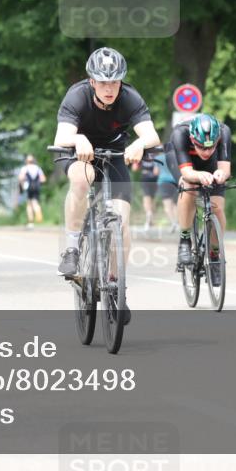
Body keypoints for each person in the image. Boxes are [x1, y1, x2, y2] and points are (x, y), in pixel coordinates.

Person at [53, 47, 161, 323]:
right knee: (82, 178)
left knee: (122, 222)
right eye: (102, 82)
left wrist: (138, 143)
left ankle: (115, 287)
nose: (109, 88)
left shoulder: (129, 97)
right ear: (92, 82)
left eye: (114, 82)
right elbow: (63, 135)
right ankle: (72, 248)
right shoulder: (77, 96)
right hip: (78, 152)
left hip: (114, 154)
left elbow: (151, 135)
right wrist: (78, 140)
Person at [167, 114, 232, 286]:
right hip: (182, 161)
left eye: (211, 147)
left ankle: (214, 256)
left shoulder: (224, 132)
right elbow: (188, 173)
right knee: (189, 186)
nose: (206, 151)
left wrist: (221, 174)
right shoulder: (180, 134)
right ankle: (185, 239)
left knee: (217, 207)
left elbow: (225, 168)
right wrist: (197, 175)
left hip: (211, 165)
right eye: (201, 147)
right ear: (192, 139)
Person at [17, 155, 46, 228]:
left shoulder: (25, 168)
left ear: (26, 161)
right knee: (35, 202)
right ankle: (39, 216)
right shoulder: (38, 168)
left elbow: (21, 177)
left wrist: (21, 185)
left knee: (29, 204)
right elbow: (43, 179)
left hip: (29, 187)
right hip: (36, 187)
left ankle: (31, 222)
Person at [153, 154, 178, 233]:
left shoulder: (158, 157)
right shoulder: (175, 156)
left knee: (167, 205)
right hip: (175, 181)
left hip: (164, 182)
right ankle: (178, 222)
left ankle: (173, 222)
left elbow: (156, 172)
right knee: (175, 204)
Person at [134, 153, 159, 232]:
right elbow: (156, 172)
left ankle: (148, 215)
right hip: (154, 179)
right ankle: (151, 220)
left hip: (145, 178)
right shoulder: (156, 155)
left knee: (146, 198)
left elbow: (134, 168)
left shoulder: (141, 154)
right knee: (152, 199)